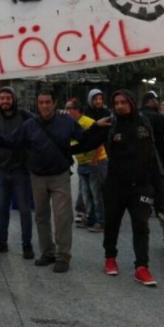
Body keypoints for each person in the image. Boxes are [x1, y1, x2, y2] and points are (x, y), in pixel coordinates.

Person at [81, 90, 164, 286]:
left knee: (141, 226)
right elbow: (85, 142)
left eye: (123, 102)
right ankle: (110, 258)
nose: (119, 106)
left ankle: (141, 267)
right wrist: (93, 127)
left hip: (142, 186)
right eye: (116, 103)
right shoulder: (110, 124)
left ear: (132, 102)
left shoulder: (147, 119)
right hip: (115, 185)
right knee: (111, 224)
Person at [0, 89, 91, 273]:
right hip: (37, 177)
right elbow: (12, 141)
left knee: (62, 217)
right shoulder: (30, 125)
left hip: (59, 176)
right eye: (41, 103)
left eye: (48, 102)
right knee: (41, 217)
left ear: (55, 103)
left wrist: (100, 129)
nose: (44, 106)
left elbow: (85, 138)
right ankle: (47, 252)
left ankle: (63, 255)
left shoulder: (66, 121)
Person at [0, 86, 35, 258]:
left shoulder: (25, 116)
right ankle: (2, 242)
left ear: (13, 99)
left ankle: (26, 245)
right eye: (2, 98)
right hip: (1, 170)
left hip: (21, 170)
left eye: (8, 98)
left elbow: (39, 128)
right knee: (1, 208)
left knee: (24, 210)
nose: (5, 101)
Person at [66, 98, 106, 233]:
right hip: (82, 162)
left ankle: (101, 221)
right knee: (86, 193)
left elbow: (99, 140)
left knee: (96, 193)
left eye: (68, 108)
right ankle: (91, 218)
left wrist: (94, 159)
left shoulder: (88, 122)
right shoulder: (71, 124)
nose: (66, 111)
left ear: (77, 110)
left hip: (95, 161)